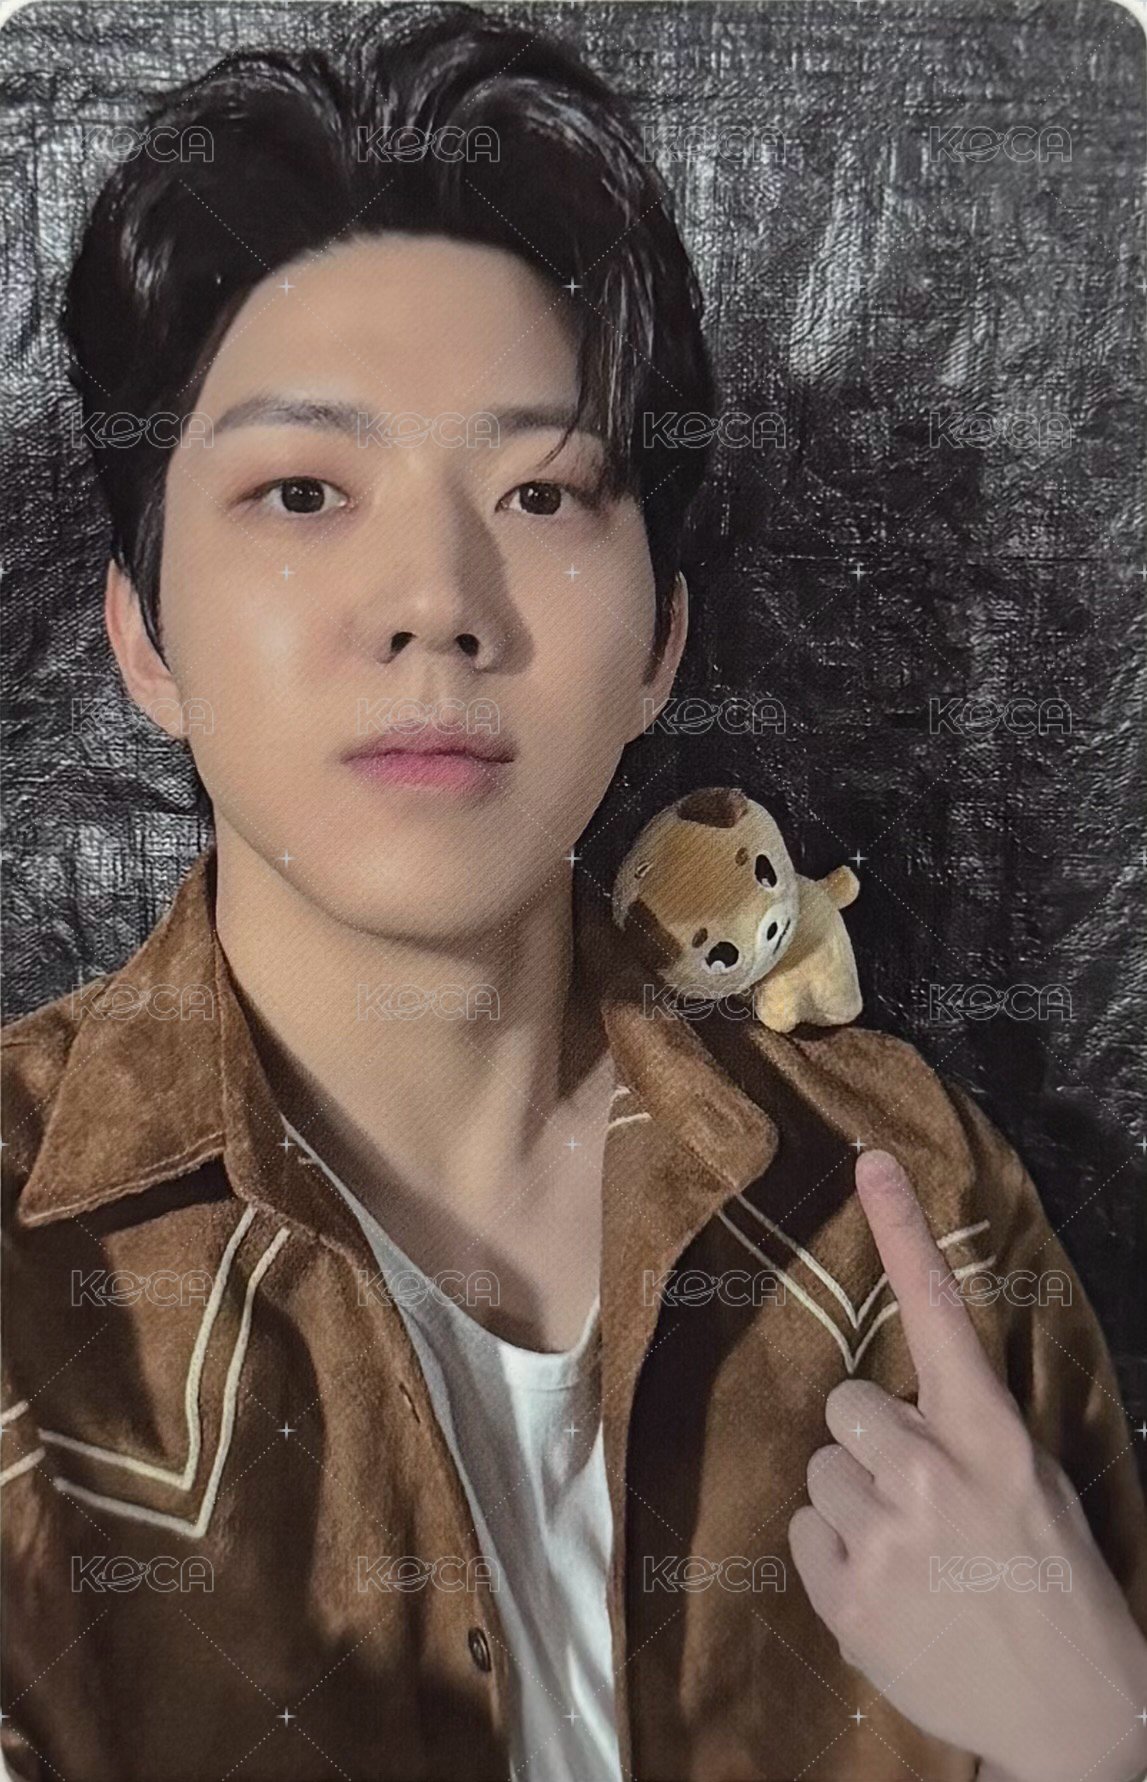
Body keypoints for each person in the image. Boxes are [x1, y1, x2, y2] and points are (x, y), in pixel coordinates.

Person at [3, 7, 1146, 1779]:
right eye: (302, 489)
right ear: (144, 636)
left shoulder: (905, 1204)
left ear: (661, 642)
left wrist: (1100, 1727)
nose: (437, 601)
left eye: (541, 493)